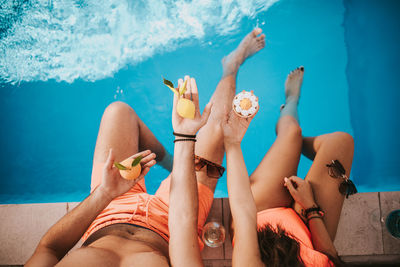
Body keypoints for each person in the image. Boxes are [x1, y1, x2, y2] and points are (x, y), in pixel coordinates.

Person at [25, 28, 265, 266]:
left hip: (108, 209)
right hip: (170, 224)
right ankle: (231, 66)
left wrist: (104, 194)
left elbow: (50, 248)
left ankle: (166, 160)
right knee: (216, 126)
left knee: (118, 112)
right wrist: (184, 137)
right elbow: (181, 223)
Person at [222, 67, 356, 266]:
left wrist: (231, 142)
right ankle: (293, 136)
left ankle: (291, 106)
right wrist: (311, 208)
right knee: (341, 142)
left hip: (259, 218)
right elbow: (330, 258)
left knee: (291, 132)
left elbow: (243, 214)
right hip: (306, 232)